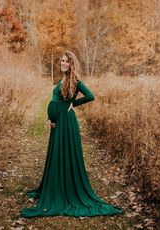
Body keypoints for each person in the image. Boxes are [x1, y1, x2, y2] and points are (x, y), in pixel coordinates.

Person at [20, 50, 124, 218]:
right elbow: (55, 102)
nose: (63, 63)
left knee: (65, 155)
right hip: (57, 123)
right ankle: (55, 185)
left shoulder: (75, 80)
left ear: (71, 64)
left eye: (67, 61)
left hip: (66, 123)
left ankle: (65, 190)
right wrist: (50, 117)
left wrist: (74, 104)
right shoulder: (62, 79)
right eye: (62, 61)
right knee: (57, 155)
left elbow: (91, 96)